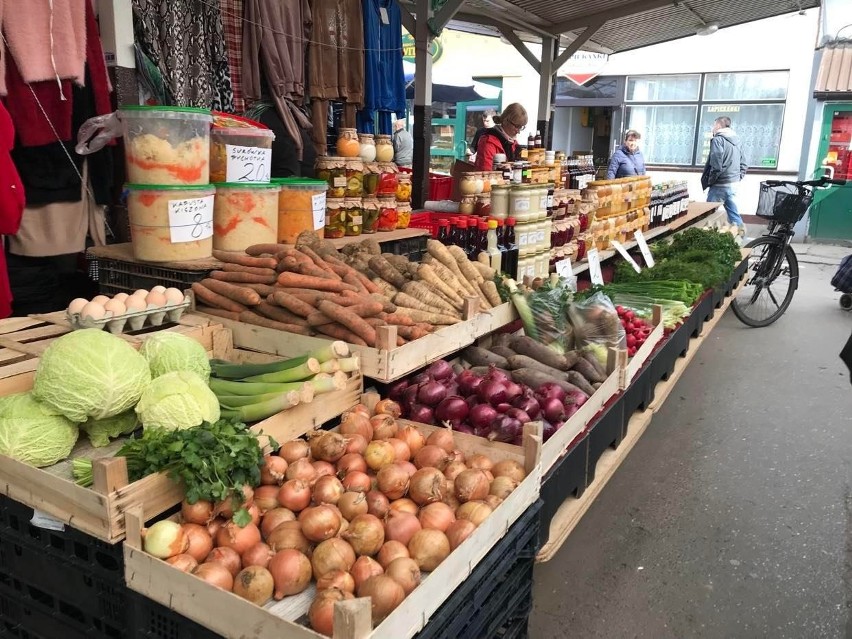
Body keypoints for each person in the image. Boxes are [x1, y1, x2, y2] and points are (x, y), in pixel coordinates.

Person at [702, 116, 748, 227]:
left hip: (719, 184)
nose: (712, 128)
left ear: (718, 125)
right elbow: (744, 163)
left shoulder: (718, 139)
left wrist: (711, 181)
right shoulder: (737, 141)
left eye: (713, 126)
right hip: (733, 184)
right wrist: (737, 178)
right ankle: (740, 237)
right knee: (733, 214)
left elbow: (716, 164)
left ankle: (705, 239)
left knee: (707, 215)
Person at [474, 103, 528, 171]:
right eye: (517, 126)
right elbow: (485, 173)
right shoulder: (488, 141)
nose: (519, 131)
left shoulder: (514, 143)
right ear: (505, 121)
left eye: (521, 127)